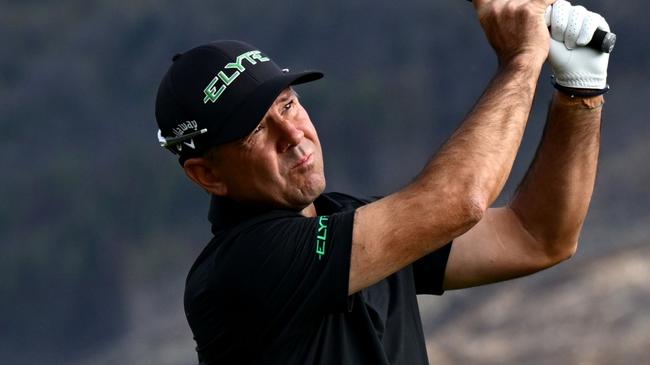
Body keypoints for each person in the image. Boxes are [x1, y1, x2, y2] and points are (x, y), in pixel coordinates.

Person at [154, 0, 612, 363]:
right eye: (256, 129)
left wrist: (580, 91)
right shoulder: (241, 268)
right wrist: (523, 57)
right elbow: (459, 201)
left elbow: (536, 236)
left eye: (289, 105)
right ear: (206, 174)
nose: (293, 135)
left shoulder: (350, 219)